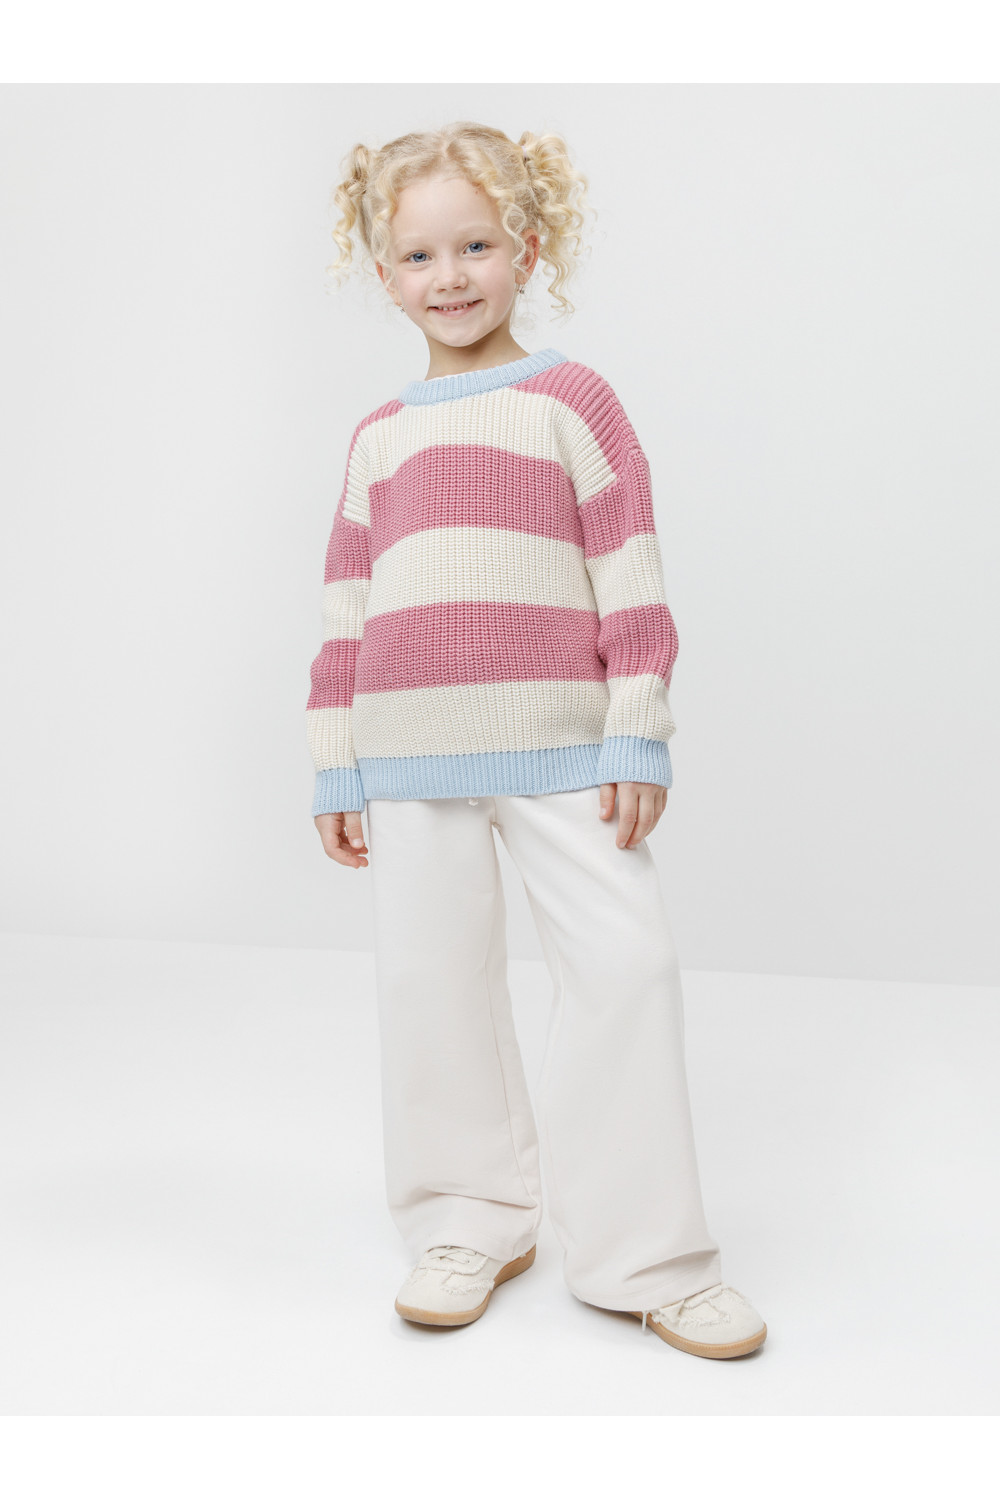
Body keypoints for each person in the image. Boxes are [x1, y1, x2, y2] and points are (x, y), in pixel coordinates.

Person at [305, 120, 767, 1360]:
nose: (448, 276)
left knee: (626, 971)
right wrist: (335, 759)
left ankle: (647, 1255)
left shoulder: (573, 401)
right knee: (431, 987)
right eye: (418, 256)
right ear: (383, 272)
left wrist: (636, 733)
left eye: (475, 246)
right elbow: (345, 609)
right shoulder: (377, 437)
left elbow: (631, 573)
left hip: (565, 748)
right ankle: (468, 1219)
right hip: (407, 758)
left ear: (527, 246)